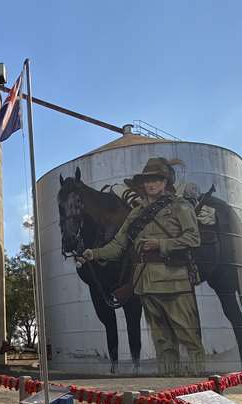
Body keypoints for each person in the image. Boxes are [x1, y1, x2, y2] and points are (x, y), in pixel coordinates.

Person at [82, 157, 205, 375]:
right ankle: (169, 386)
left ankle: (203, 389)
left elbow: (193, 239)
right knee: (162, 340)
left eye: (156, 180)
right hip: (146, 284)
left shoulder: (180, 206)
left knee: (188, 336)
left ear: (165, 182)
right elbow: (119, 244)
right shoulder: (136, 213)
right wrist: (95, 253)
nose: (151, 184)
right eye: (148, 180)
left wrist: (162, 244)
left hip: (174, 281)